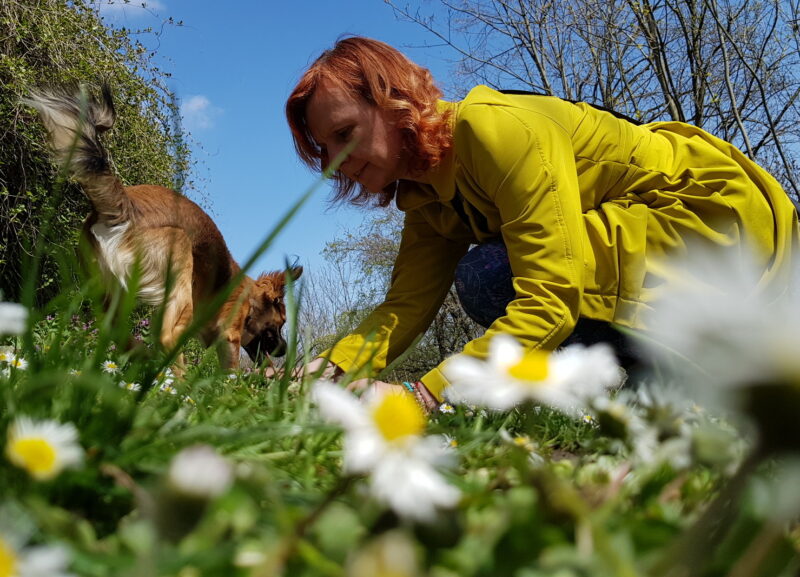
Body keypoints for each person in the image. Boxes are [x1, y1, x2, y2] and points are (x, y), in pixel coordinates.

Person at [285, 36, 799, 410]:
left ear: (393, 99)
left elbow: (551, 294)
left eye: (345, 133)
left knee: (489, 274)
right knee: (489, 275)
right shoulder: (425, 195)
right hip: (648, 246)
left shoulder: (494, 132)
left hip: (709, 216)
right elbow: (406, 305)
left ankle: (670, 377)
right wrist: (333, 367)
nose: (336, 161)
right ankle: (649, 388)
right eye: (323, 148)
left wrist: (425, 396)